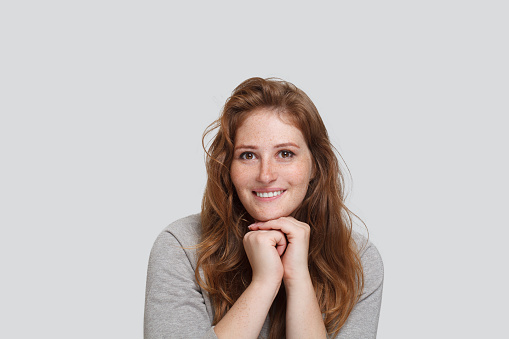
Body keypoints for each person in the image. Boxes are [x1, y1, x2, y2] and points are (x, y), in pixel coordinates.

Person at [144, 77, 384, 339]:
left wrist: (297, 279)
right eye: (248, 155)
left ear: (316, 165)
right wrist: (264, 283)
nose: (266, 175)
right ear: (228, 168)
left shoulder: (358, 260)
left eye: (285, 154)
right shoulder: (182, 246)